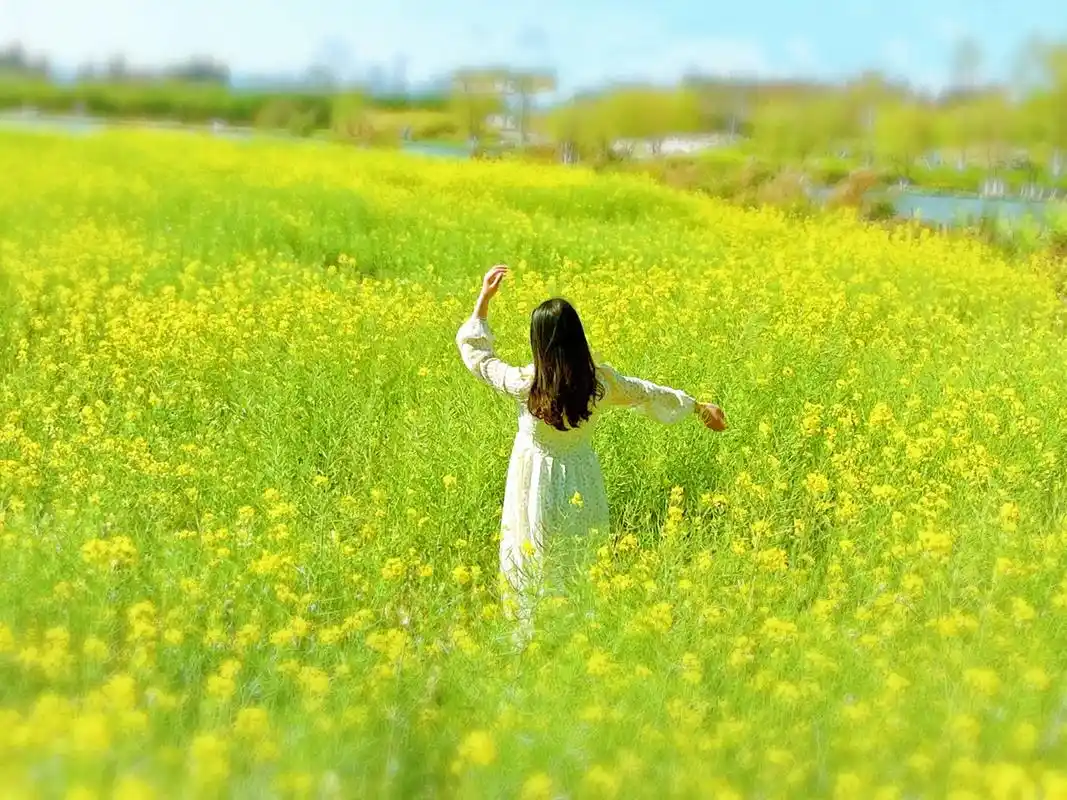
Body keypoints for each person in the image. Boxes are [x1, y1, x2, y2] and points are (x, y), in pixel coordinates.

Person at [456, 265, 727, 637]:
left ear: (539, 342)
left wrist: (483, 301)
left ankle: (534, 634)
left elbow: (480, 358)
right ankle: (578, 634)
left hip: (535, 480)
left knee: (534, 554)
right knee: (579, 557)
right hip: (581, 477)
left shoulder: (525, 383)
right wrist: (697, 407)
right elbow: (648, 392)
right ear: (577, 338)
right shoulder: (599, 384)